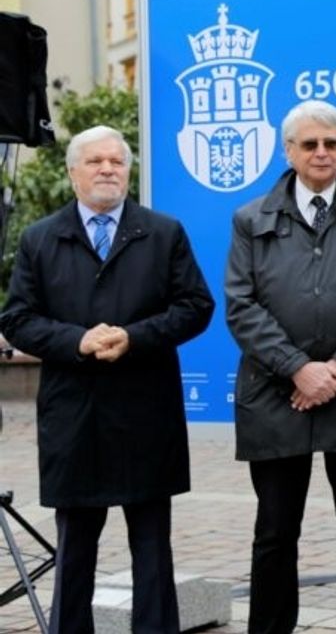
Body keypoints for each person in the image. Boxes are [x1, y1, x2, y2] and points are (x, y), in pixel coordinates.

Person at [0, 125, 215, 634]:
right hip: (73, 416)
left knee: (151, 548)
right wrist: (77, 341)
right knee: (74, 548)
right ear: (73, 174)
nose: (107, 170)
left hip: (146, 412)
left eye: (116, 162)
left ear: (129, 171)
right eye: (95, 161)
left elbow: (195, 306)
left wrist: (133, 337)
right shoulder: (40, 238)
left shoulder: (164, 233)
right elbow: (18, 319)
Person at [224, 100, 336, 634]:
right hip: (275, 394)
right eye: (310, 144)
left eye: (332, 143)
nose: (322, 153)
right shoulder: (249, 218)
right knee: (276, 531)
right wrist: (299, 369)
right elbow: (241, 304)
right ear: (289, 151)